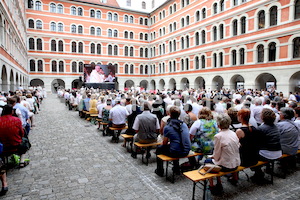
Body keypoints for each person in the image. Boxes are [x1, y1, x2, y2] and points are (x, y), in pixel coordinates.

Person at [208, 113, 240, 195]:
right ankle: (234, 178)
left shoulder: (218, 136)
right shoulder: (234, 133)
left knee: (208, 162)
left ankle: (213, 185)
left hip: (226, 166)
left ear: (218, 125)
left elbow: (216, 156)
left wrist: (211, 157)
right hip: (236, 163)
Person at [155, 106, 191, 177]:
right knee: (174, 146)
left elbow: (164, 143)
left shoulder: (168, 127)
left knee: (159, 149)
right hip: (186, 150)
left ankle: (160, 170)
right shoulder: (183, 124)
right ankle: (176, 168)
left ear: (170, 114)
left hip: (176, 152)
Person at [253, 108, 282, 183]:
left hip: (268, 154)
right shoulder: (276, 127)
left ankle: (258, 173)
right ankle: (266, 169)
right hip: (278, 152)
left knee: (251, 156)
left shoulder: (261, 128)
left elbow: (256, 143)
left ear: (262, 117)